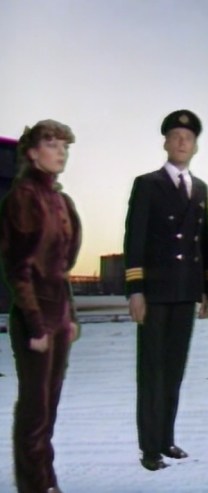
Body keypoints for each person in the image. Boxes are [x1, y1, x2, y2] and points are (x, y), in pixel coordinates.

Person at [123, 109, 208, 471]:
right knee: (152, 372)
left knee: (174, 370)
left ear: (195, 146)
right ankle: (150, 449)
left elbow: (201, 242)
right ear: (165, 143)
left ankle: (166, 439)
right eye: (175, 136)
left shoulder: (201, 188)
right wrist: (136, 289)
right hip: (155, 292)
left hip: (186, 291)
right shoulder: (147, 184)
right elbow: (134, 238)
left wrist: (204, 289)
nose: (182, 142)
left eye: (188, 138)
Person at [0, 120, 81, 493]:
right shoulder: (22, 197)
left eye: (65, 145)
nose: (61, 151)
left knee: (50, 408)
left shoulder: (62, 201)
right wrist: (35, 325)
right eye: (52, 144)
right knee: (35, 410)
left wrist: (71, 316)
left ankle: (47, 481)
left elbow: (62, 268)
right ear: (32, 152)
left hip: (59, 314)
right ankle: (33, 485)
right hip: (35, 316)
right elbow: (18, 269)